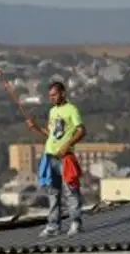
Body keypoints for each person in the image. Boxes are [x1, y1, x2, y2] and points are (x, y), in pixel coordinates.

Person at [25, 81, 86, 236]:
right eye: (50, 96)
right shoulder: (52, 112)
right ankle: (53, 225)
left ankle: (76, 222)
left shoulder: (71, 110)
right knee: (53, 193)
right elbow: (52, 134)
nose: (51, 98)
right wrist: (37, 128)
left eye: (54, 95)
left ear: (62, 93)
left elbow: (81, 130)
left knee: (71, 191)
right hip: (50, 156)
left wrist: (68, 145)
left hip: (65, 157)